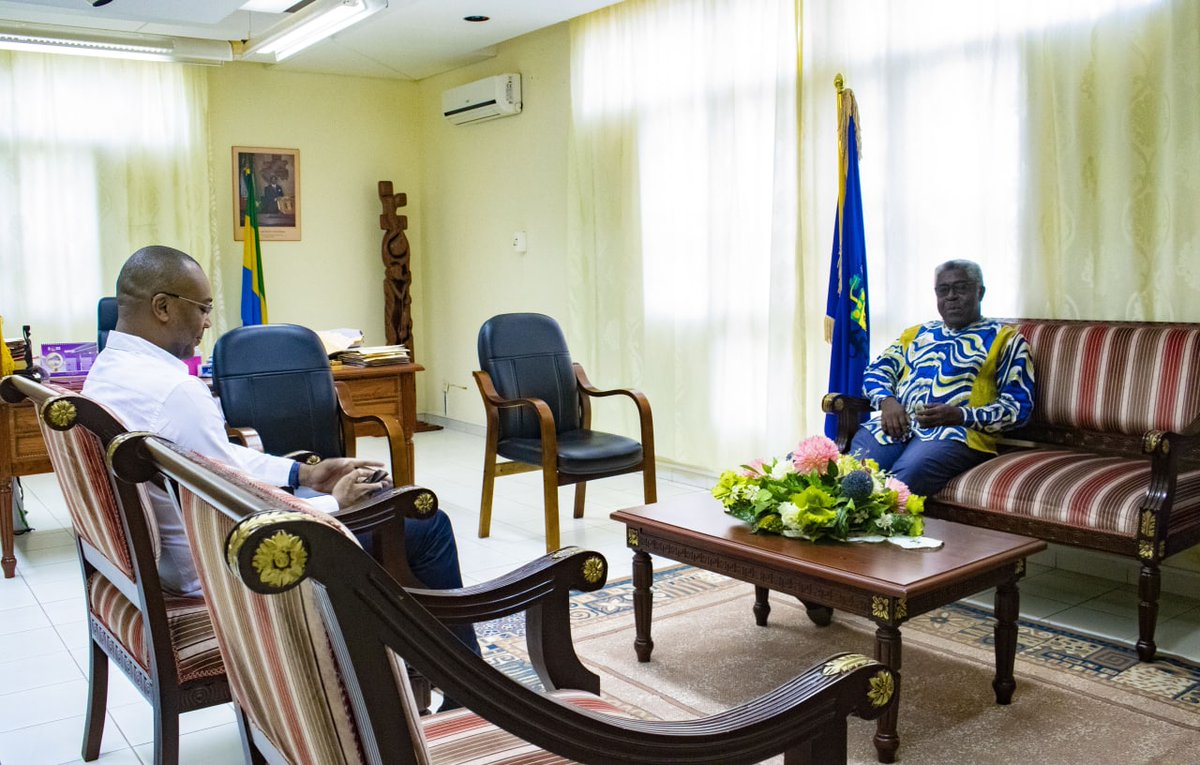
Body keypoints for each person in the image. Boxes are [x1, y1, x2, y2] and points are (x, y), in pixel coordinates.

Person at [83, 246, 479, 665]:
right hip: (227, 567)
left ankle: (414, 659)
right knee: (425, 524)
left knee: (367, 509)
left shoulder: (106, 374)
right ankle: (461, 677)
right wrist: (335, 505)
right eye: (202, 308)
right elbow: (234, 506)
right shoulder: (175, 392)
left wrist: (303, 474)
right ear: (162, 307)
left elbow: (220, 463)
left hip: (166, 564)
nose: (207, 322)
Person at [849, 259, 1034, 498]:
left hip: (957, 433)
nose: (951, 296)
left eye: (961, 288)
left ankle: (880, 521)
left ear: (980, 292)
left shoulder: (1006, 340)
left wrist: (960, 415)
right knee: (854, 476)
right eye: (943, 290)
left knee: (903, 481)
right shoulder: (916, 334)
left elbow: (1018, 409)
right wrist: (887, 402)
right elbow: (877, 371)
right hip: (895, 426)